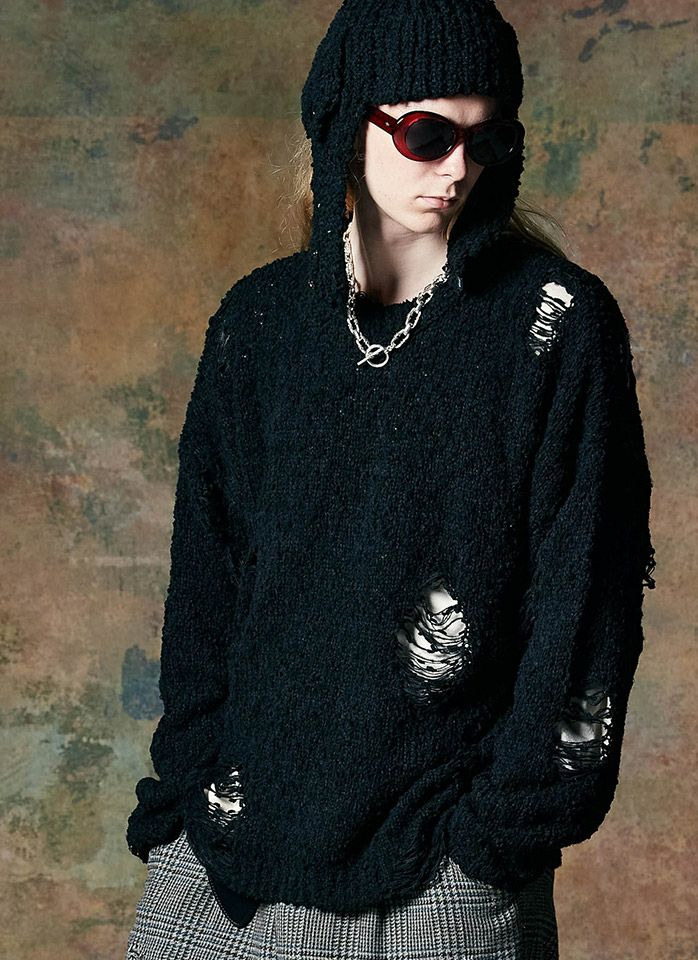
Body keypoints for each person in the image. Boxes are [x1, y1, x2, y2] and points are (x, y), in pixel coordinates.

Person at [124, 1, 657, 958]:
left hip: (436, 883)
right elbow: (206, 586)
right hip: (224, 864)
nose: (457, 168)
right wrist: (187, 796)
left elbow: (588, 604)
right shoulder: (258, 326)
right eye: (426, 134)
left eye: (487, 139)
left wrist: (494, 844)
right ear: (345, 121)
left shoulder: (554, 326)